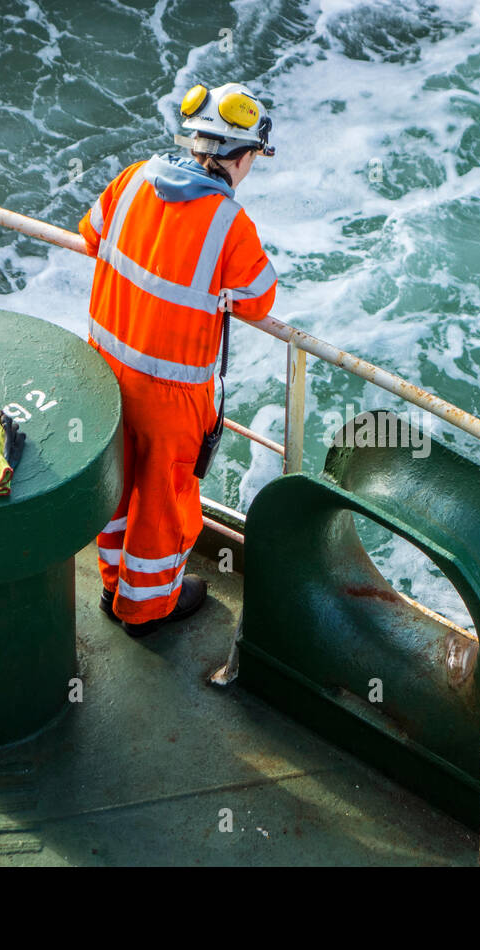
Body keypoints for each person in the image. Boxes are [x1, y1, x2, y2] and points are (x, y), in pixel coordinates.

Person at [78, 82, 277, 637]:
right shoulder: (229, 225)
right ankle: (144, 609)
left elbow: (90, 232)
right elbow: (259, 299)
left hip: (103, 370)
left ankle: (113, 582)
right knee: (162, 504)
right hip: (170, 394)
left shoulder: (135, 178)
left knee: (115, 483)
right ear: (242, 157)